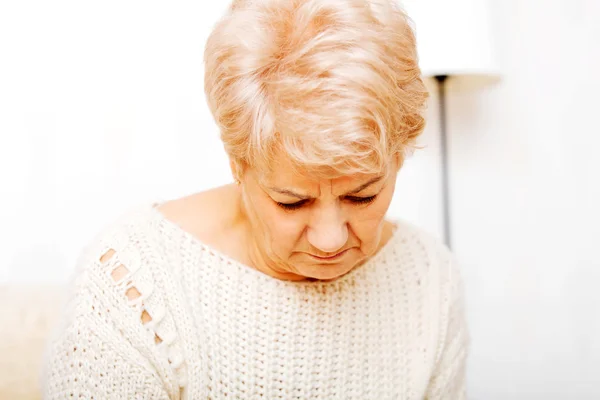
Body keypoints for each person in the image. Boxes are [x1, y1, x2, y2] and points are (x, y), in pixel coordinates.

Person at [42, 0, 469, 398]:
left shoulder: (427, 276)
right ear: (238, 164)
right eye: (292, 202)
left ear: (398, 157)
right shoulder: (132, 281)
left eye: (362, 196)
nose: (329, 240)